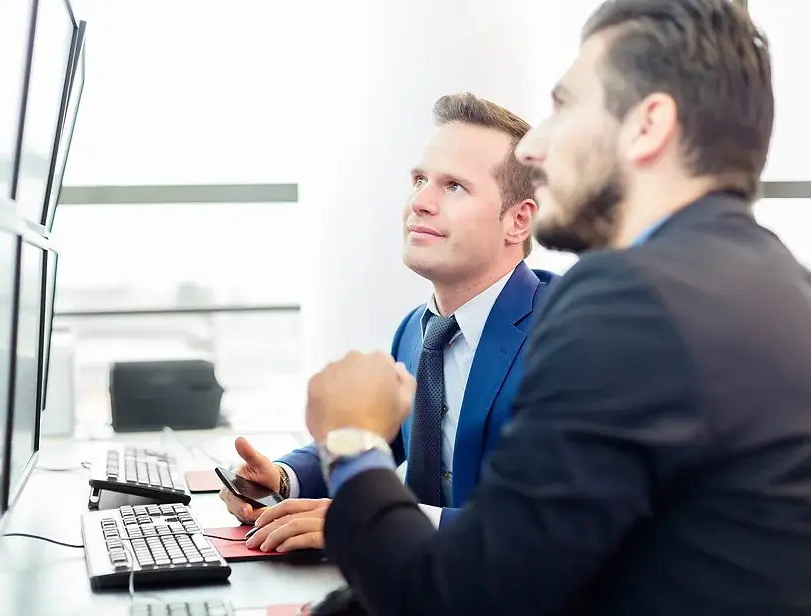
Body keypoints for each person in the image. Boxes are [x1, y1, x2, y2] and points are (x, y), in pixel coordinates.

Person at [305, 0, 811, 614]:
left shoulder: (628, 300)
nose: (533, 147)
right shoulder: (781, 285)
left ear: (647, 126)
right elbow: (570, 563)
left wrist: (352, 443)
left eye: (565, 105)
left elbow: (458, 599)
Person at [220, 94, 560, 553]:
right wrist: (283, 477)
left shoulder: (565, 333)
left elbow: (551, 527)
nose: (419, 202)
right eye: (419, 180)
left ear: (518, 221)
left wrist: (371, 520)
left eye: (453, 186)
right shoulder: (417, 331)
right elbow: (377, 438)